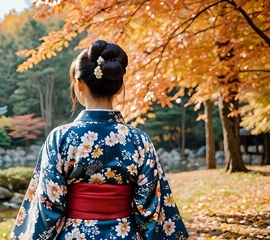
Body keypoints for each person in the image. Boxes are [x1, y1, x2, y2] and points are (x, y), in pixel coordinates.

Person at [11, 40, 189, 239]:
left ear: (78, 85)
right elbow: (152, 209)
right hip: (125, 234)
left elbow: (47, 206)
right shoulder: (140, 140)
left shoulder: (60, 138)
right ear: (119, 87)